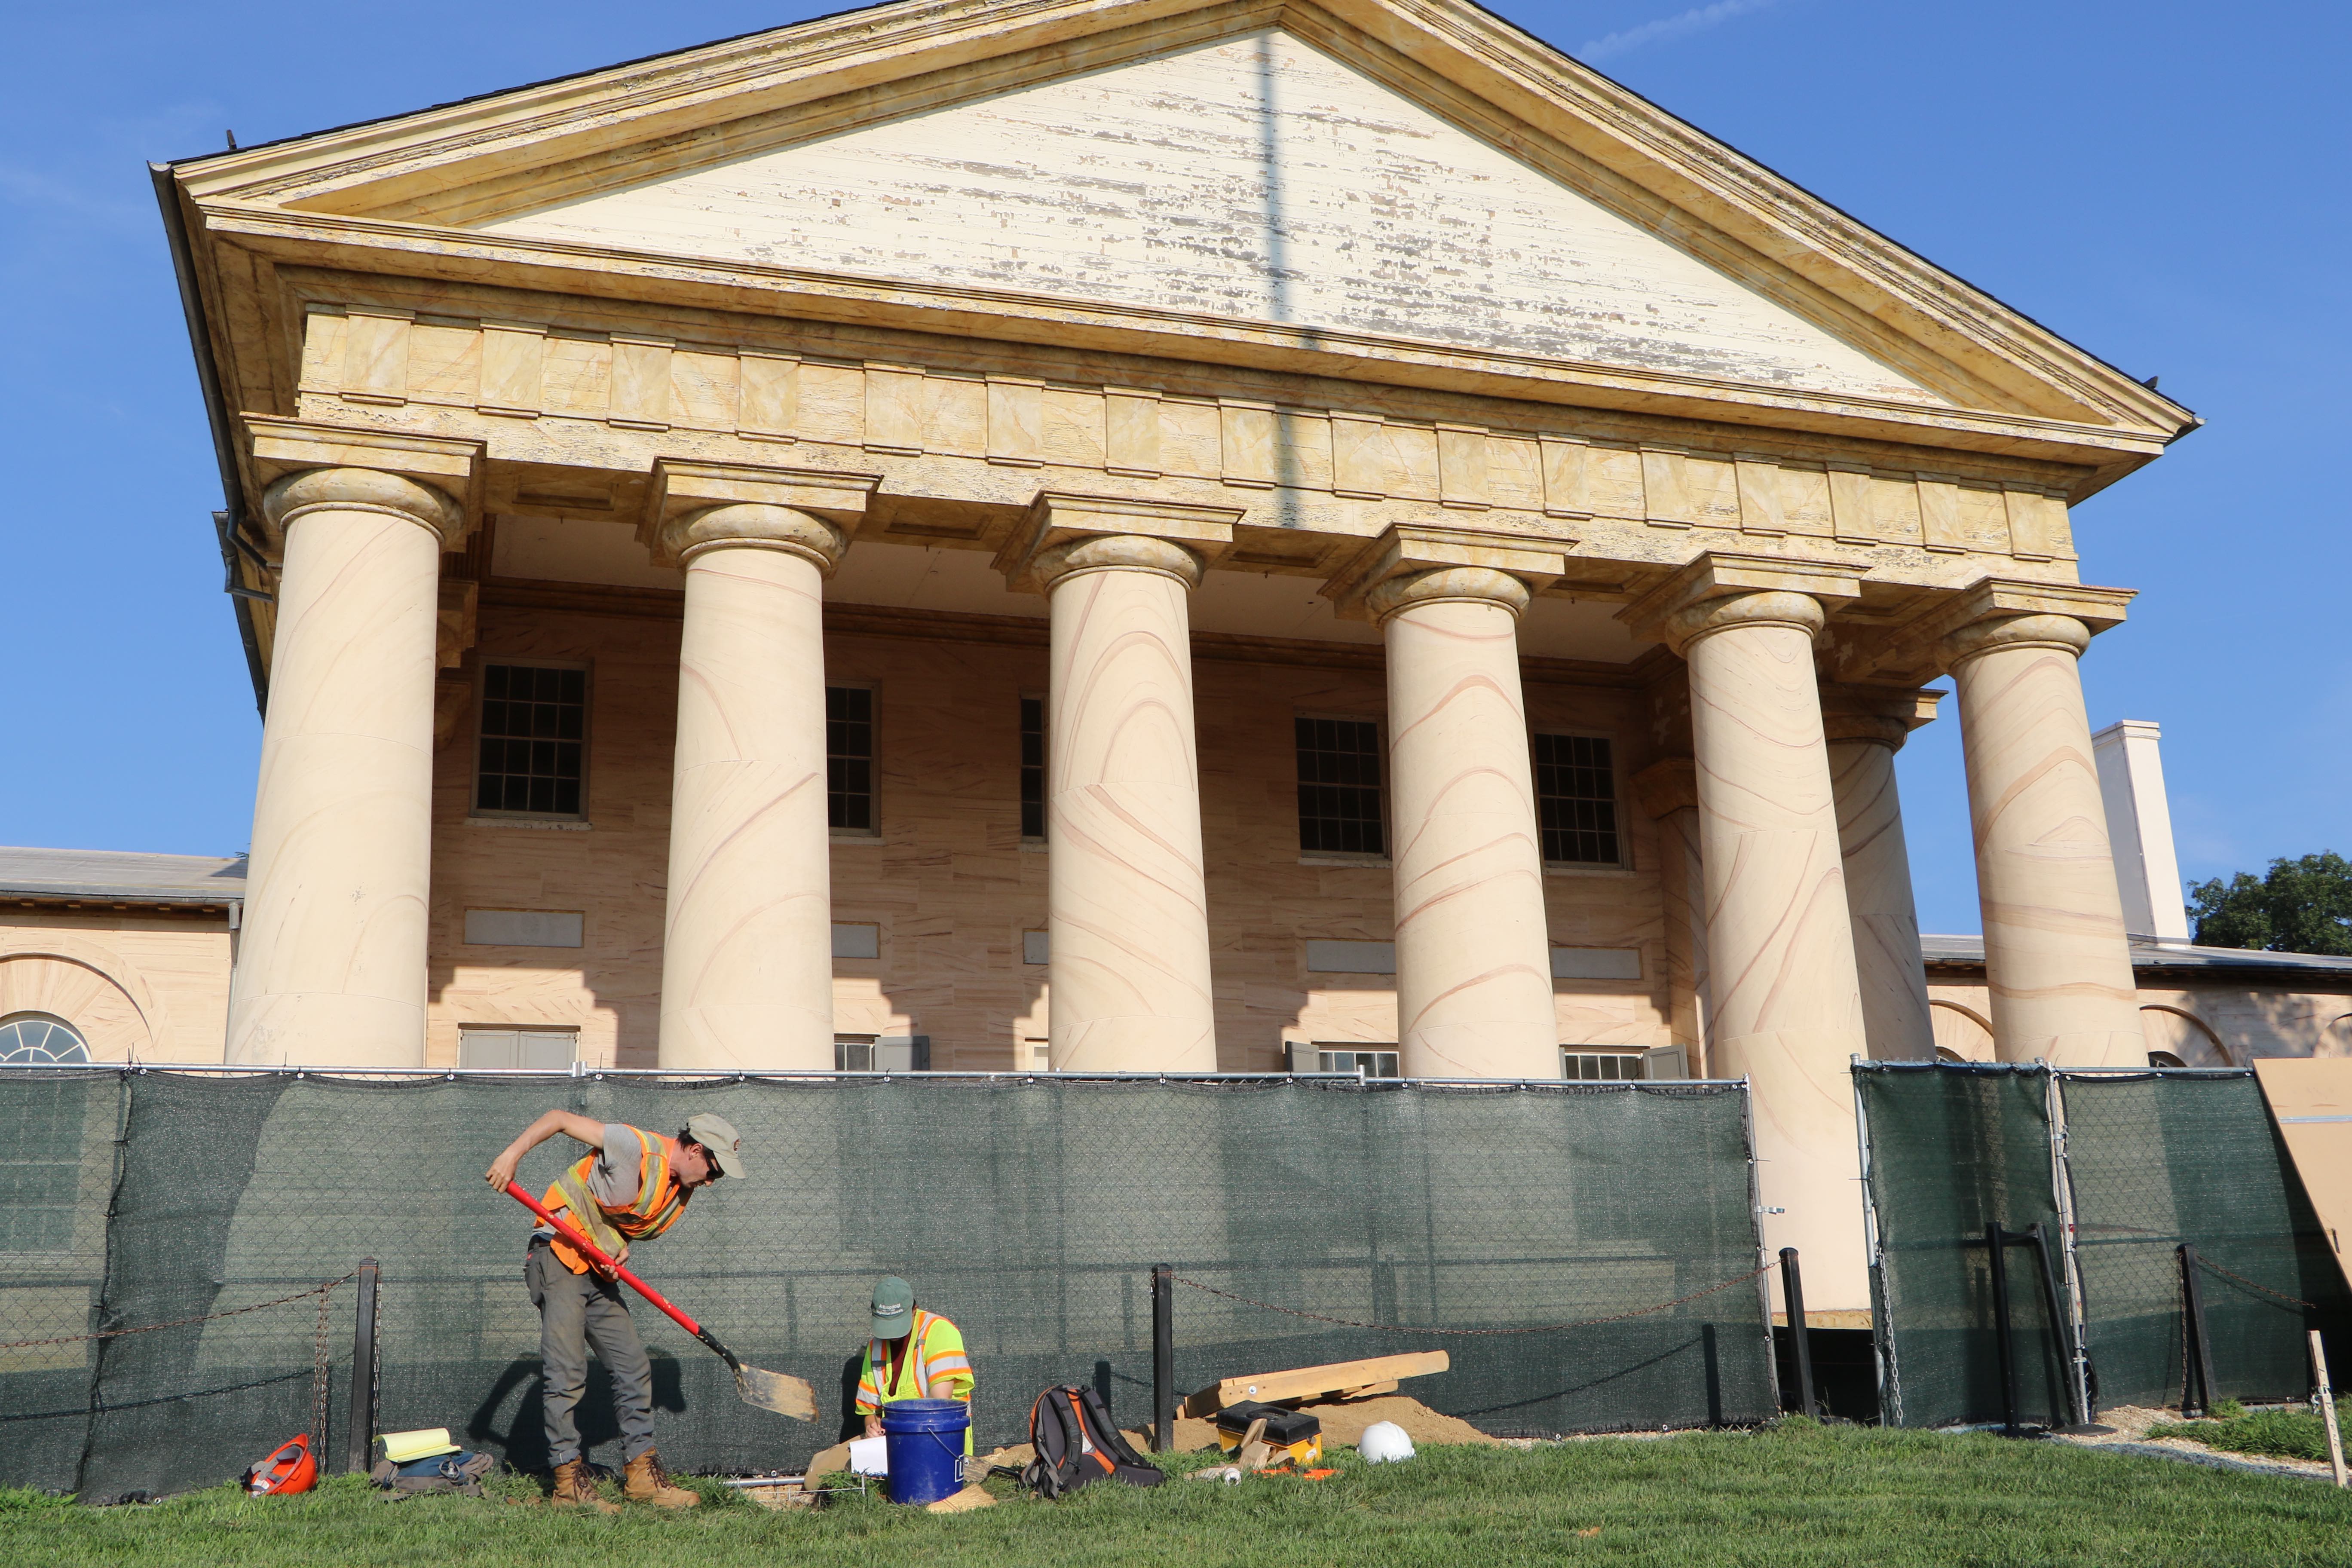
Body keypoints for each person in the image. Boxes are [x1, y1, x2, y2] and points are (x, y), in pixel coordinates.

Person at [484, 1109, 746, 1510]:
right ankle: (568, 1485)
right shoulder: (633, 1147)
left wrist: (618, 1250)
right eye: (715, 1171)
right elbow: (558, 1119)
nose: (712, 1181)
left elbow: (618, 1217)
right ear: (696, 1151)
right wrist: (510, 1156)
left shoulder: (678, 1188)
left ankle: (642, 1478)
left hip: (594, 1269)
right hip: (557, 1254)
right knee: (567, 1372)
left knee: (633, 1367)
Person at [855, 1277, 974, 1454]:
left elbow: (940, 1406)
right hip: (896, 1448)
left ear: (914, 1310)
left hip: (943, 1445)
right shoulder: (875, 1348)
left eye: (898, 1323)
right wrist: (872, 1427)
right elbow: (870, 1410)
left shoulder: (938, 1331)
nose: (892, 1333)